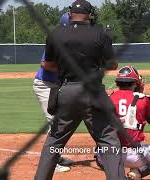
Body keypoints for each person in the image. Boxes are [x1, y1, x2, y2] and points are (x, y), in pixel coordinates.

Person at [34, 0, 126, 179]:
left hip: (67, 91)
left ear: (70, 14)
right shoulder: (100, 33)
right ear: (90, 14)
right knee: (108, 139)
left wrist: (66, 66)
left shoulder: (56, 34)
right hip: (93, 92)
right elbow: (113, 64)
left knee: (54, 141)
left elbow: (48, 64)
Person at [95, 66, 150, 180]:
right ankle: (138, 172)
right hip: (134, 156)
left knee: (98, 150)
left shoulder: (109, 98)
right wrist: (141, 95)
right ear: (135, 84)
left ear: (118, 83)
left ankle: (116, 174)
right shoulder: (142, 99)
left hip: (108, 155)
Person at [32, 13, 74, 173]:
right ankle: (52, 163)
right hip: (45, 85)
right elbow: (44, 63)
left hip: (56, 86)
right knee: (55, 123)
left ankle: (57, 156)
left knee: (63, 122)